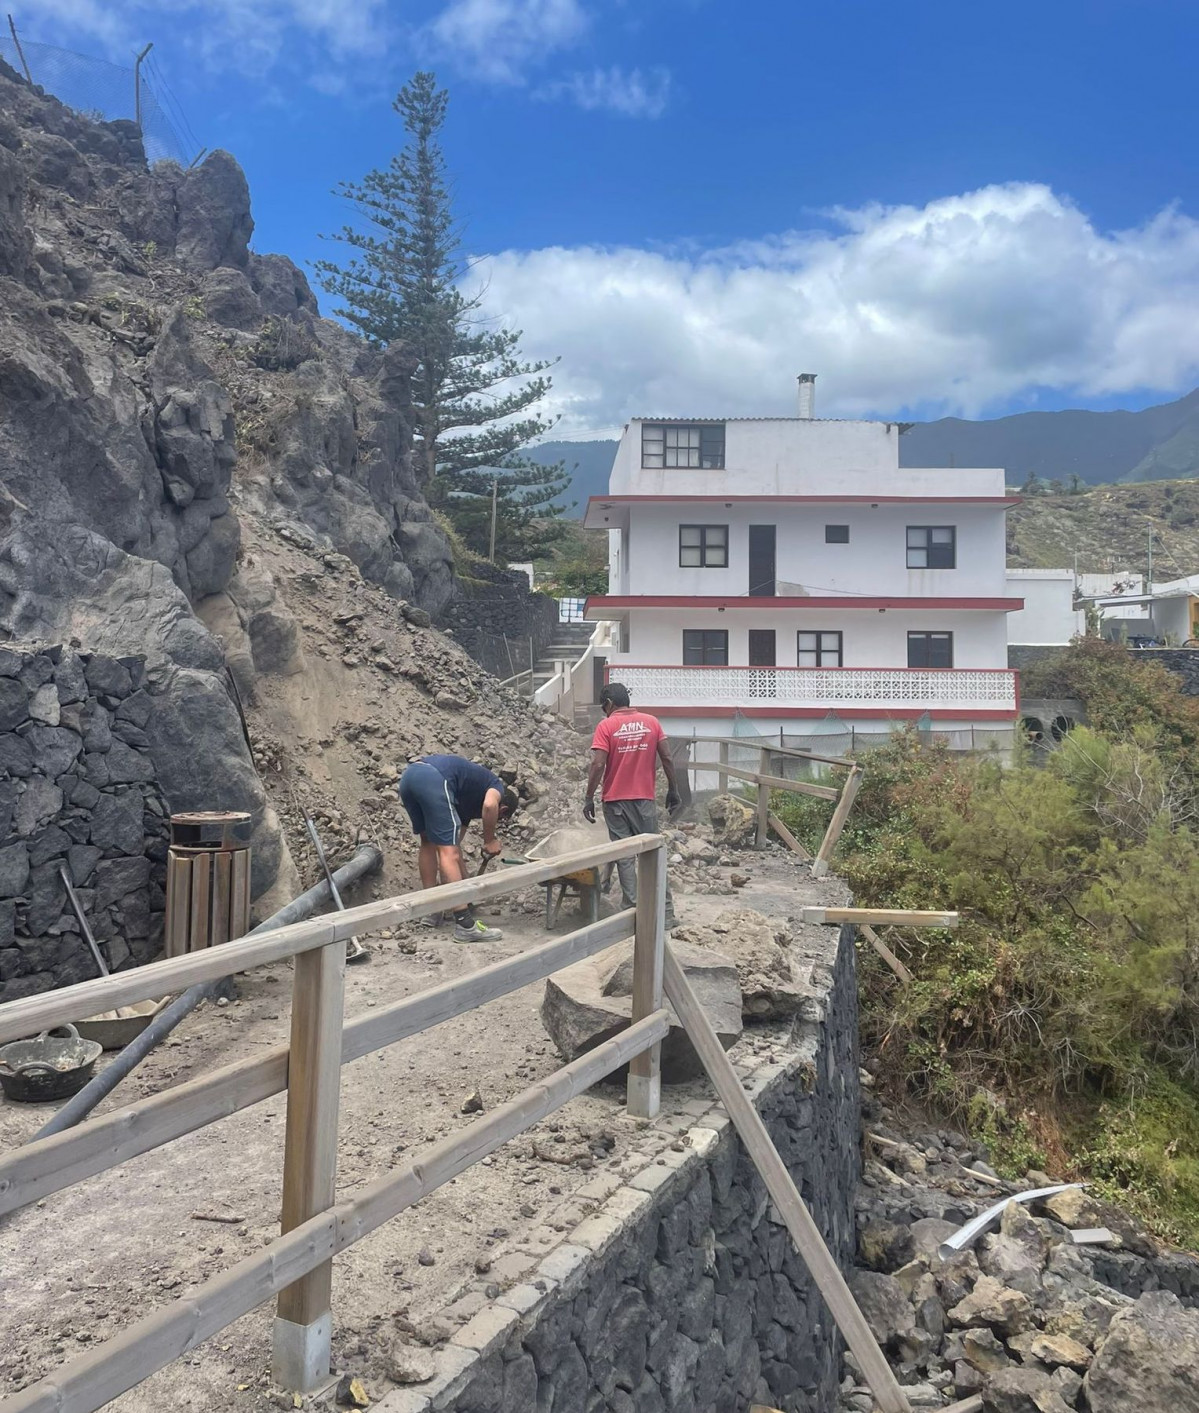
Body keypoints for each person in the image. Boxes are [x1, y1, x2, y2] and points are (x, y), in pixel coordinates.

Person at [583, 682, 680, 923]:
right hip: (645, 800)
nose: (604, 712)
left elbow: (598, 764)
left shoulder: (606, 725)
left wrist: (588, 797)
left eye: (603, 707)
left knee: (625, 857)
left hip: (615, 802)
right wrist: (673, 789)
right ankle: (666, 914)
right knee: (653, 855)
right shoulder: (651, 722)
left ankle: (635, 914)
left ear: (609, 704)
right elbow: (667, 756)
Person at [398, 753, 519, 941]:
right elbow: (489, 805)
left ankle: (432, 909)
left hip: (410, 777)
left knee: (428, 842)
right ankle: (465, 925)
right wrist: (489, 839)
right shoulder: (496, 787)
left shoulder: (464, 805)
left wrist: (466, 888)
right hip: (434, 778)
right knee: (447, 852)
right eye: (501, 818)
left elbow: (455, 849)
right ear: (503, 809)